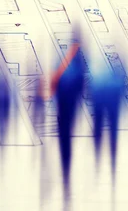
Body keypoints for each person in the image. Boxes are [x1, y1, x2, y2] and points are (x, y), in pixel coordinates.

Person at [51, 42, 85, 197]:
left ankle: (65, 162)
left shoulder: (67, 72)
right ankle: (66, 162)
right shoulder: (75, 72)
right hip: (67, 108)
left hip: (63, 108)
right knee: (66, 135)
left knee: (64, 135)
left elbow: (55, 87)